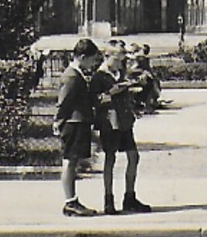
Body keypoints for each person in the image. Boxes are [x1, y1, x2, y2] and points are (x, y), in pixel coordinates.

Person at [90, 40, 151, 215]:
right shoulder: (99, 76)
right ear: (108, 55)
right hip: (110, 122)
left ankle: (129, 197)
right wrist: (111, 93)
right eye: (118, 57)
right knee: (110, 159)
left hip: (124, 120)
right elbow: (95, 100)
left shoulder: (120, 72)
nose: (121, 61)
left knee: (133, 156)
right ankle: (108, 200)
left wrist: (133, 89)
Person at [54, 37, 103, 217]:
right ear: (82, 57)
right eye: (91, 59)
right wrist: (59, 122)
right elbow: (64, 102)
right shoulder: (72, 76)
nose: (93, 63)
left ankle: (72, 200)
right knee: (69, 161)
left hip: (78, 122)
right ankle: (70, 202)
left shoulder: (78, 74)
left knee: (73, 161)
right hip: (73, 123)